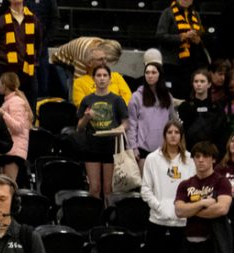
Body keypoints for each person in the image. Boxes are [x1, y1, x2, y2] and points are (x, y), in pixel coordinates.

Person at [174, 141, 232, 253]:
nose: (200, 160)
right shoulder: (185, 184)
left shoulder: (221, 182)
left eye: (205, 156)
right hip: (188, 246)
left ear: (213, 159)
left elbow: (222, 208)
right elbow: (179, 211)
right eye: (197, 156)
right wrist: (203, 203)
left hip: (211, 247)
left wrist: (191, 210)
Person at [141, 121, 194, 253]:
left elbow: (194, 190)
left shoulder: (190, 160)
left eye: (176, 132)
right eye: (169, 132)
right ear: (164, 135)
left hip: (182, 222)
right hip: (157, 221)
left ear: (181, 136)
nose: (173, 135)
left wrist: (185, 209)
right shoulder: (152, 158)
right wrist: (159, 208)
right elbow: (145, 190)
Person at [76, 65, 128, 204]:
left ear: (110, 79)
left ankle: (107, 219)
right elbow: (79, 128)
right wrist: (87, 117)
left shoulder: (117, 100)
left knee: (108, 189)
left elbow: (126, 123)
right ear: (94, 79)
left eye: (105, 75)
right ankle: (93, 218)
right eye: (99, 75)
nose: (102, 78)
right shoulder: (87, 100)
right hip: (91, 147)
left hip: (110, 147)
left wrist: (119, 129)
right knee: (94, 188)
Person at [0, 0, 43, 103]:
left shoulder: (34, 20)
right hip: (5, 72)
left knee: (29, 110)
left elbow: (38, 46)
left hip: (28, 73)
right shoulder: (0, 21)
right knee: (2, 110)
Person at [127, 63, 177, 169]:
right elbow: (131, 125)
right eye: (147, 72)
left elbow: (173, 122)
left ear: (160, 75)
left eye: (153, 72)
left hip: (164, 150)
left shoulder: (167, 96)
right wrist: (133, 148)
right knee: (145, 185)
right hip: (143, 151)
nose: (150, 75)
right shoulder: (136, 97)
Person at [157, 0, 207, 100]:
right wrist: (182, 37)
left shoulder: (195, 14)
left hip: (190, 64)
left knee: (186, 94)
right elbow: (160, 36)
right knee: (170, 95)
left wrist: (197, 40)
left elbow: (201, 35)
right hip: (171, 63)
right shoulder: (168, 12)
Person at [68, 41, 132, 108]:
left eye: (105, 59)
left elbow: (128, 96)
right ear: (90, 63)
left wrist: (119, 109)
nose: (104, 62)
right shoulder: (79, 82)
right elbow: (81, 105)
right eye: (100, 59)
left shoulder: (116, 76)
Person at [0, 72, 34, 184]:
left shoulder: (16, 102)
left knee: (9, 185)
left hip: (14, 150)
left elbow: (18, 127)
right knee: (3, 184)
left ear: (5, 85)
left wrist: (3, 114)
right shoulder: (9, 101)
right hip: (8, 150)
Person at [178, 69, 226, 149]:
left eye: (202, 81)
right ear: (192, 84)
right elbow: (181, 132)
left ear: (209, 84)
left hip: (212, 153)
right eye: (196, 81)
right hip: (189, 152)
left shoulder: (217, 107)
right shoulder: (185, 107)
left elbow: (223, 133)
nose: (199, 84)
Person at [25, 0, 58, 98]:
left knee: (43, 78)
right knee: (26, 79)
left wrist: (46, 40)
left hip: (42, 44)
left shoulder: (50, 2)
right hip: (24, 43)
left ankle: (42, 101)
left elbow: (54, 20)